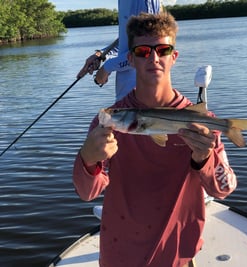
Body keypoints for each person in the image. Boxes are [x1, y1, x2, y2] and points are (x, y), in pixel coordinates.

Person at [73, 12, 237, 267]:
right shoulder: (109, 121)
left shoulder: (201, 122)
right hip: (120, 256)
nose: (154, 58)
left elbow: (224, 188)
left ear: (174, 56)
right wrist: (88, 159)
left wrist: (204, 158)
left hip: (177, 256)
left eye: (162, 49)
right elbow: (87, 192)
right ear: (130, 59)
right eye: (142, 51)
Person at [77, 0, 162, 101]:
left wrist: (107, 68)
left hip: (143, 100)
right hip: (125, 100)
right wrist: (101, 55)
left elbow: (147, 53)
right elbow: (126, 42)